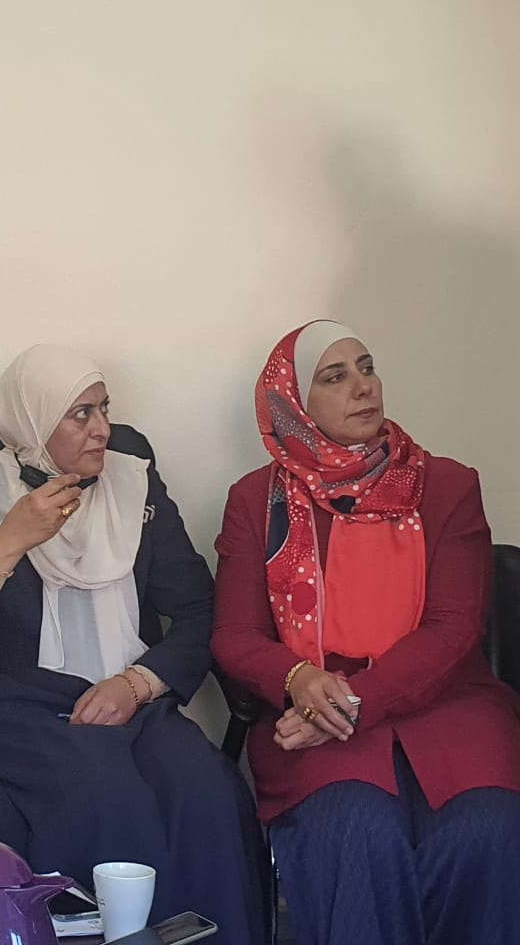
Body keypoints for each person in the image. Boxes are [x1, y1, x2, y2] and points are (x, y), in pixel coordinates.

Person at [0, 343, 266, 944]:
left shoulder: (134, 485)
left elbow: (199, 610)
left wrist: (138, 684)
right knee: (105, 792)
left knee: (210, 791)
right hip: (12, 704)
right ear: (34, 420)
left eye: (104, 409)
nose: (102, 430)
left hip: (128, 697)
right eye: (80, 414)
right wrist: (9, 541)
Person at [212, 320, 520, 945]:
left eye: (367, 368)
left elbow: (454, 629)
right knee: (358, 828)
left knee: (485, 827)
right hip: (314, 710)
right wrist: (298, 678)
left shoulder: (447, 486)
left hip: (445, 705)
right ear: (294, 404)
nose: (363, 387)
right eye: (335, 376)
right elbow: (234, 635)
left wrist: (353, 703)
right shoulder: (257, 501)